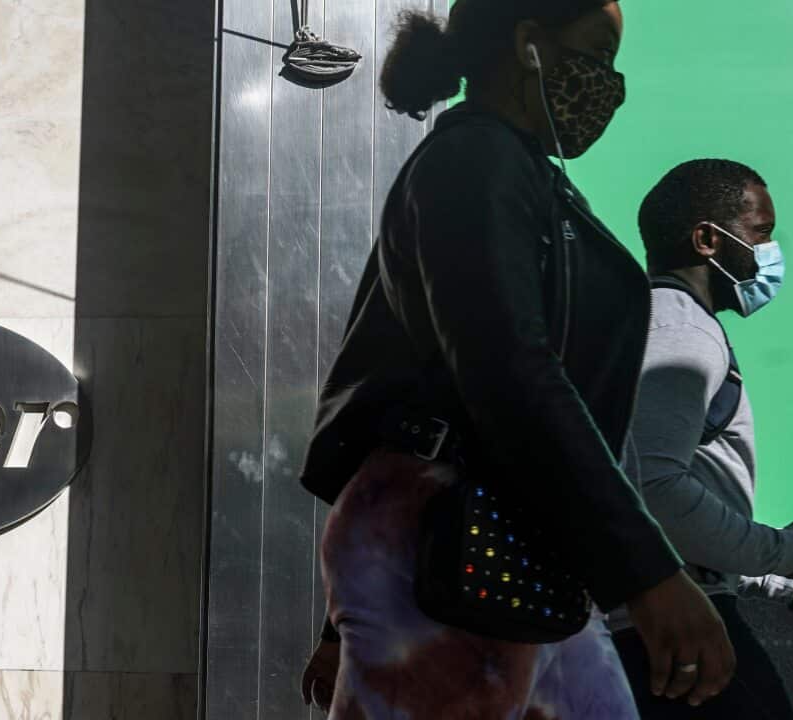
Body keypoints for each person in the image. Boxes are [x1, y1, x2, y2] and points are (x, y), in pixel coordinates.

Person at [296, 2, 736, 717]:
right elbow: (507, 375)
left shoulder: (517, 172)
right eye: (596, 52)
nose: (609, 84)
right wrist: (649, 572)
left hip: (496, 542)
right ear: (528, 44)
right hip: (464, 541)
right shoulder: (476, 163)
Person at [607, 159, 793, 719]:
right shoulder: (680, 329)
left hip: (668, 624)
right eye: (761, 232)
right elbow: (653, 491)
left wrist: (787, 586)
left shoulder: (663, 321)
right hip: (670, 634)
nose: (771, 250)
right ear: (709, 239)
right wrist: (786, 553)